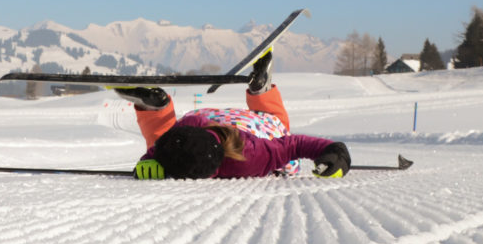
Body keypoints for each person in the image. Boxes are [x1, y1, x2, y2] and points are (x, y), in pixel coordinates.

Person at [115, 50, 351, 180]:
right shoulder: (248, 155)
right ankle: (262, 91)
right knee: (280, 129)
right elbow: (165, 145)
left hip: (241, 123)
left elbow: (293, 145)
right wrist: (149, 158)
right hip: (223, 122)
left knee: (278, 127)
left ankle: (261, 92)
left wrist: (149, 161)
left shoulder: (246, 158)